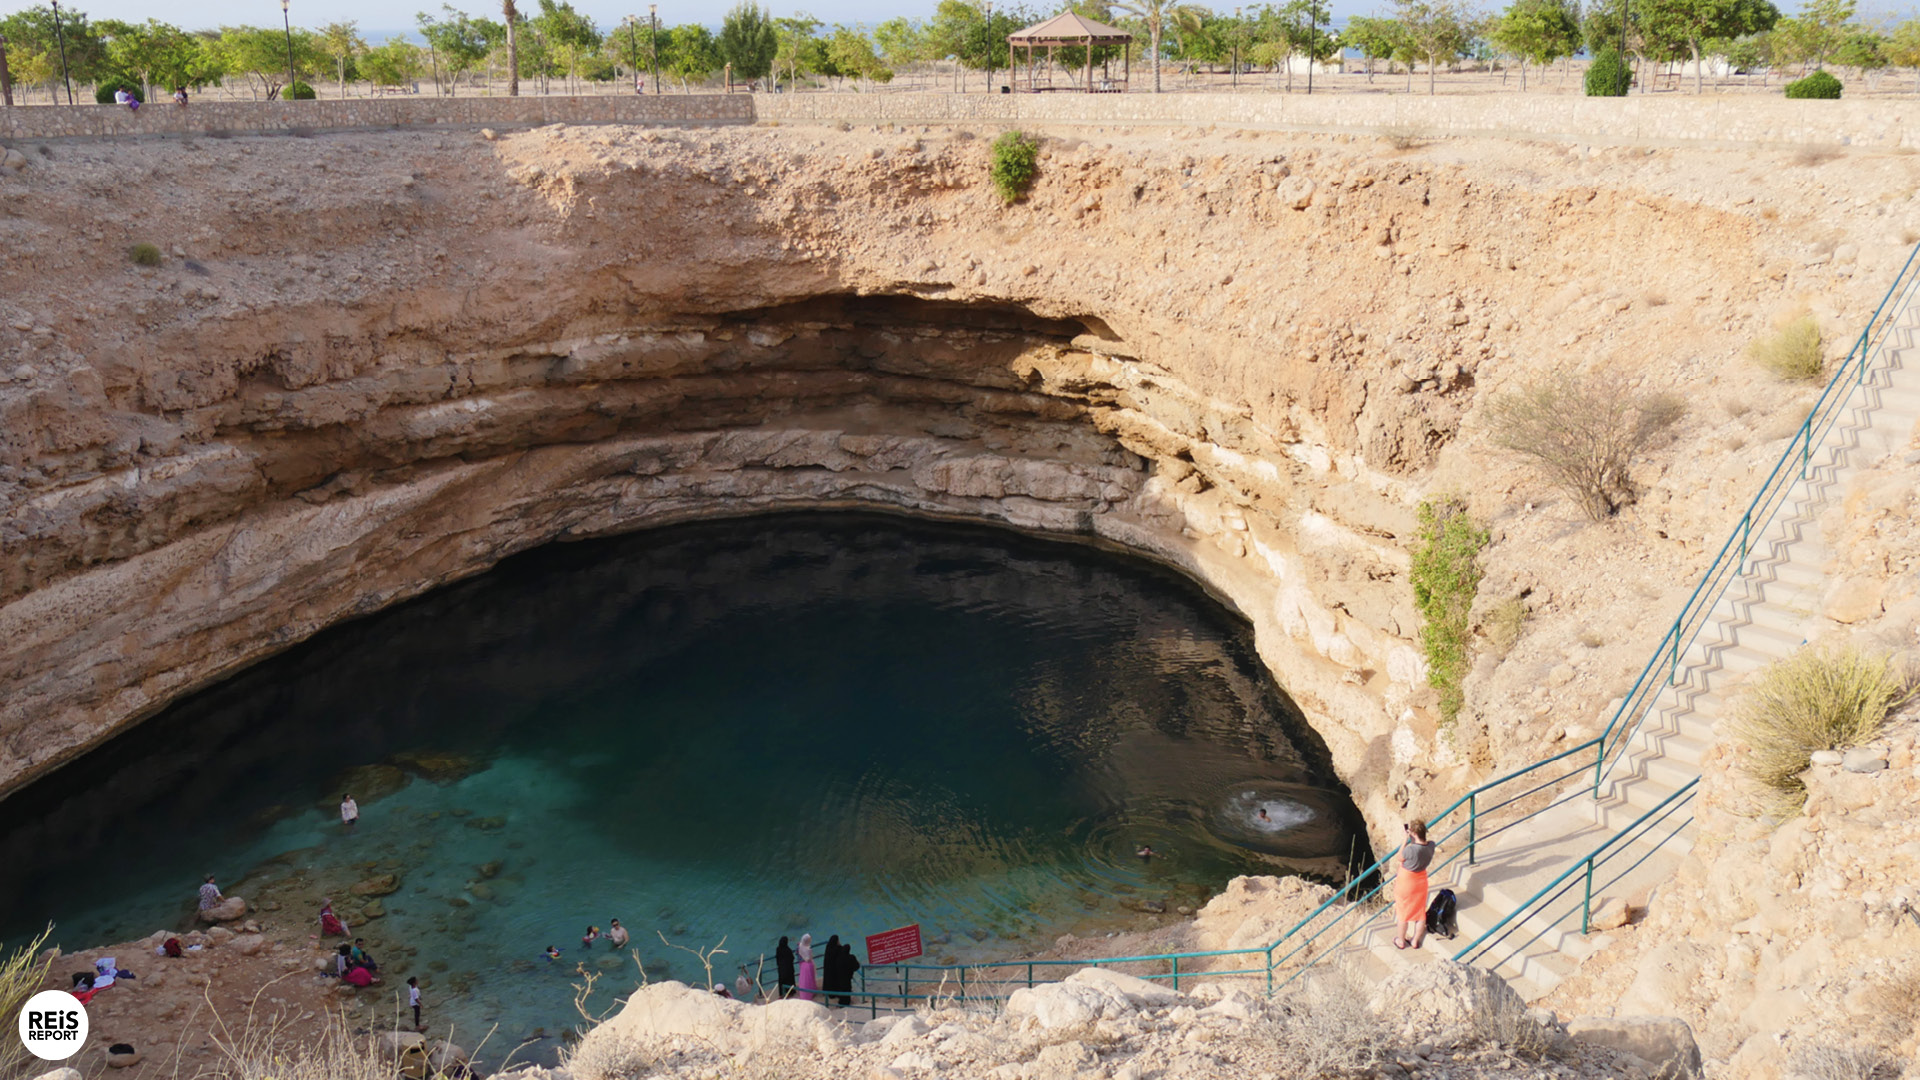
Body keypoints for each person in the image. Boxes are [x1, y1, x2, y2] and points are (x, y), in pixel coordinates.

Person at [1393, 819, 1438, 951]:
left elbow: (1400, 857)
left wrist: (1405, 840)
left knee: (1403, 913)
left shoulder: (1410, 850)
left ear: (1412, 833)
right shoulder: (1431, 846)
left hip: (1406, 883)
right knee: (1420, 913)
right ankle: (1415, 941)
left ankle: (1400, 940)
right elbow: (1421, 846)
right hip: (1421, 882)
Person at [822, 935, 859, 1007]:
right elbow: (855, 966)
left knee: (833, 983)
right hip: (838, 973)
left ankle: (832, 995)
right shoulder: (839, 951)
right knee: (845, 987)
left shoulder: (829, 947)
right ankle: (844, 1002)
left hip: (830, 969)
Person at [795, 933, 817, 1002]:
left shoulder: (800, 946)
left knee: (804, 979)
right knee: (809, 979)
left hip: (803, 965)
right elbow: (808, 958)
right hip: (808, 965)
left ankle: (804, 993)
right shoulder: (808, 949)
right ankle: (810, 993)